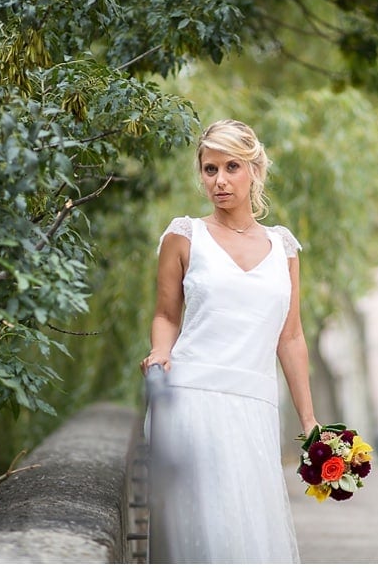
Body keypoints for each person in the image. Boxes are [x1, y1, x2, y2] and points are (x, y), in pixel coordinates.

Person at [140, 119, 319, 563]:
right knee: (203, 536)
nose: (219, 180)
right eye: (210, 169)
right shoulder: (184, 236)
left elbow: (291, 336)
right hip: (190, 399)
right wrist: (160, 351)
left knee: (248, 536)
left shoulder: (284, 248)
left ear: (255, 170)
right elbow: (166, 314)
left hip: (254, 406)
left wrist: (309, 421)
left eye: (232, 167)